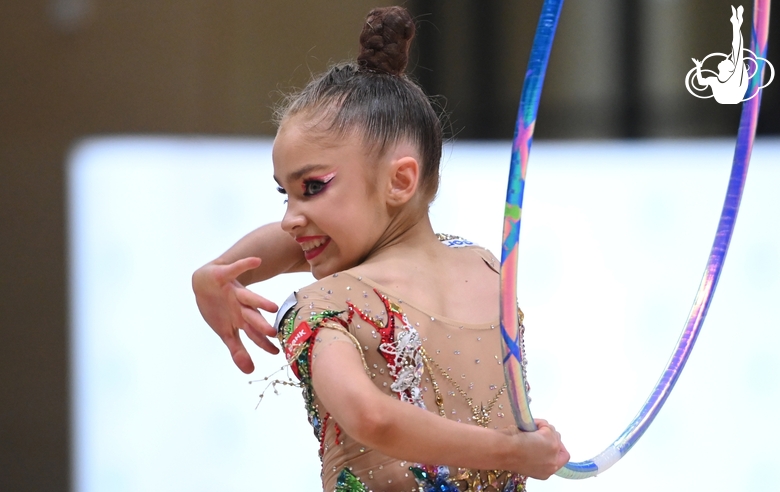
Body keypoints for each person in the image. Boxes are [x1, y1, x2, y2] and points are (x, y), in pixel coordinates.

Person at [193, 6, 569, 491]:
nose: (289, 217)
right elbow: (371, 419)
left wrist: (219, 271)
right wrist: (220, 271)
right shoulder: (485, 269)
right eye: (283, 195)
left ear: (400, 180)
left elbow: (373, 419)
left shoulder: (326, 306)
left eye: (312, 187)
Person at [692, 5, 748, 104]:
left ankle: (736, 23)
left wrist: (698, 67)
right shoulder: (721, 79)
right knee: (737, 51)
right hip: (730, 97)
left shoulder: (719, 80)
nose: (726, 59)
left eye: (727, 61)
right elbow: (701, 82)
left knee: (737, 50)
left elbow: (701, 81)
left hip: (732, 96)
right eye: (729, 61)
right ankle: (736, 23)